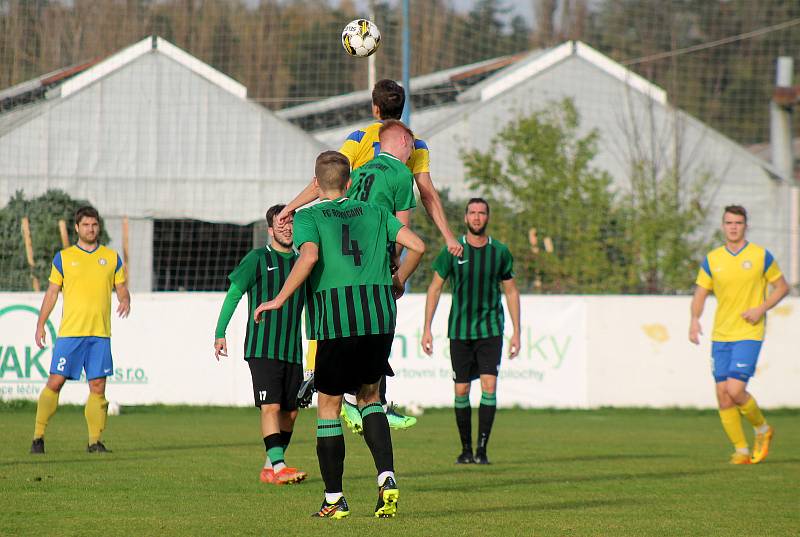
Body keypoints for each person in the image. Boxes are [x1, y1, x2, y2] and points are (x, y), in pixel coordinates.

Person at [277, 80, 463, 432]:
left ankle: (338, 386)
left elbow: (326, 178)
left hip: (343, 233)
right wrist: (443, 237)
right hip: (376, 238)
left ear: (374, 108)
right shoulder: (414, 146)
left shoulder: (360, 138)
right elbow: (424, 195)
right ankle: (359, 397)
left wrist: (291, 206)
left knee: (336, 301)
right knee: (377, 316)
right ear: (402, 109)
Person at [254, 151, 425, 519]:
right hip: (379, 317)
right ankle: (387, 477)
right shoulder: (377, 212)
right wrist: (397, 282)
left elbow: (310, 257)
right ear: (349, 183)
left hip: (336, 320)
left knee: (329, 407)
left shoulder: (309, 216)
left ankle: (334, 500)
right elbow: (419, 246)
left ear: (317, 185)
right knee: (371, 397)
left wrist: (279, 298)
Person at [421, 198, 520, 465]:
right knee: (462, 390)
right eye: (472, 213)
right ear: (465, 218)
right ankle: (466, 450)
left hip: (491, 330)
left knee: (489, 385)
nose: (477, 217)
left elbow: (510, 291)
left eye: (482, 213)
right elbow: (434, 288)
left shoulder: (500, 252)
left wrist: (517, 332)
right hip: (460, 332)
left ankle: (482, 450)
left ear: (488, 217)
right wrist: (427, 329)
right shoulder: (453, 250)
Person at [214, 204, 308, 485]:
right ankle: (279, 467)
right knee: (271, 407)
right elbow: (233, 295)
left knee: (291, 413)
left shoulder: (304, 261)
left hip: (293, 349)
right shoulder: (257, 258)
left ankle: (270, 467)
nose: (287, 227)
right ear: (270, 229)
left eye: (291, 222)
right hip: (262, 347)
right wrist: (220, 332)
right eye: (281, 223)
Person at [689, 205, 788, 465]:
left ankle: (763, 430)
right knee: (722, 394)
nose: (733, 227)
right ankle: (741, 451)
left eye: (738, 223)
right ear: (723, 226)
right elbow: (700, 293)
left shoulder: (759, 256)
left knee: (735, 389)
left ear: (746, 225)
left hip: (749, 332)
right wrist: (694, 319)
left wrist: (760, 309)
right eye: (729, 222)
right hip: (721, 334)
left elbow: (782, 287)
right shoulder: (713, 259)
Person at [31, 206, 130, 454]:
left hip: (99, 335)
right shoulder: (63, 258)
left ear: (99, 227)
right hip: (70, 334)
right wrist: (41, 323)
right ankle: (38, 437)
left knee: (98, 386)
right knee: (55, 382)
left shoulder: (111, 257)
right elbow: (52, 292)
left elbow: (121, 287)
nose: (91, 229)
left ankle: (94, 442)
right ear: (77, 228)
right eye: (85, 225)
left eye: (94, 225)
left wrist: (125, 298)